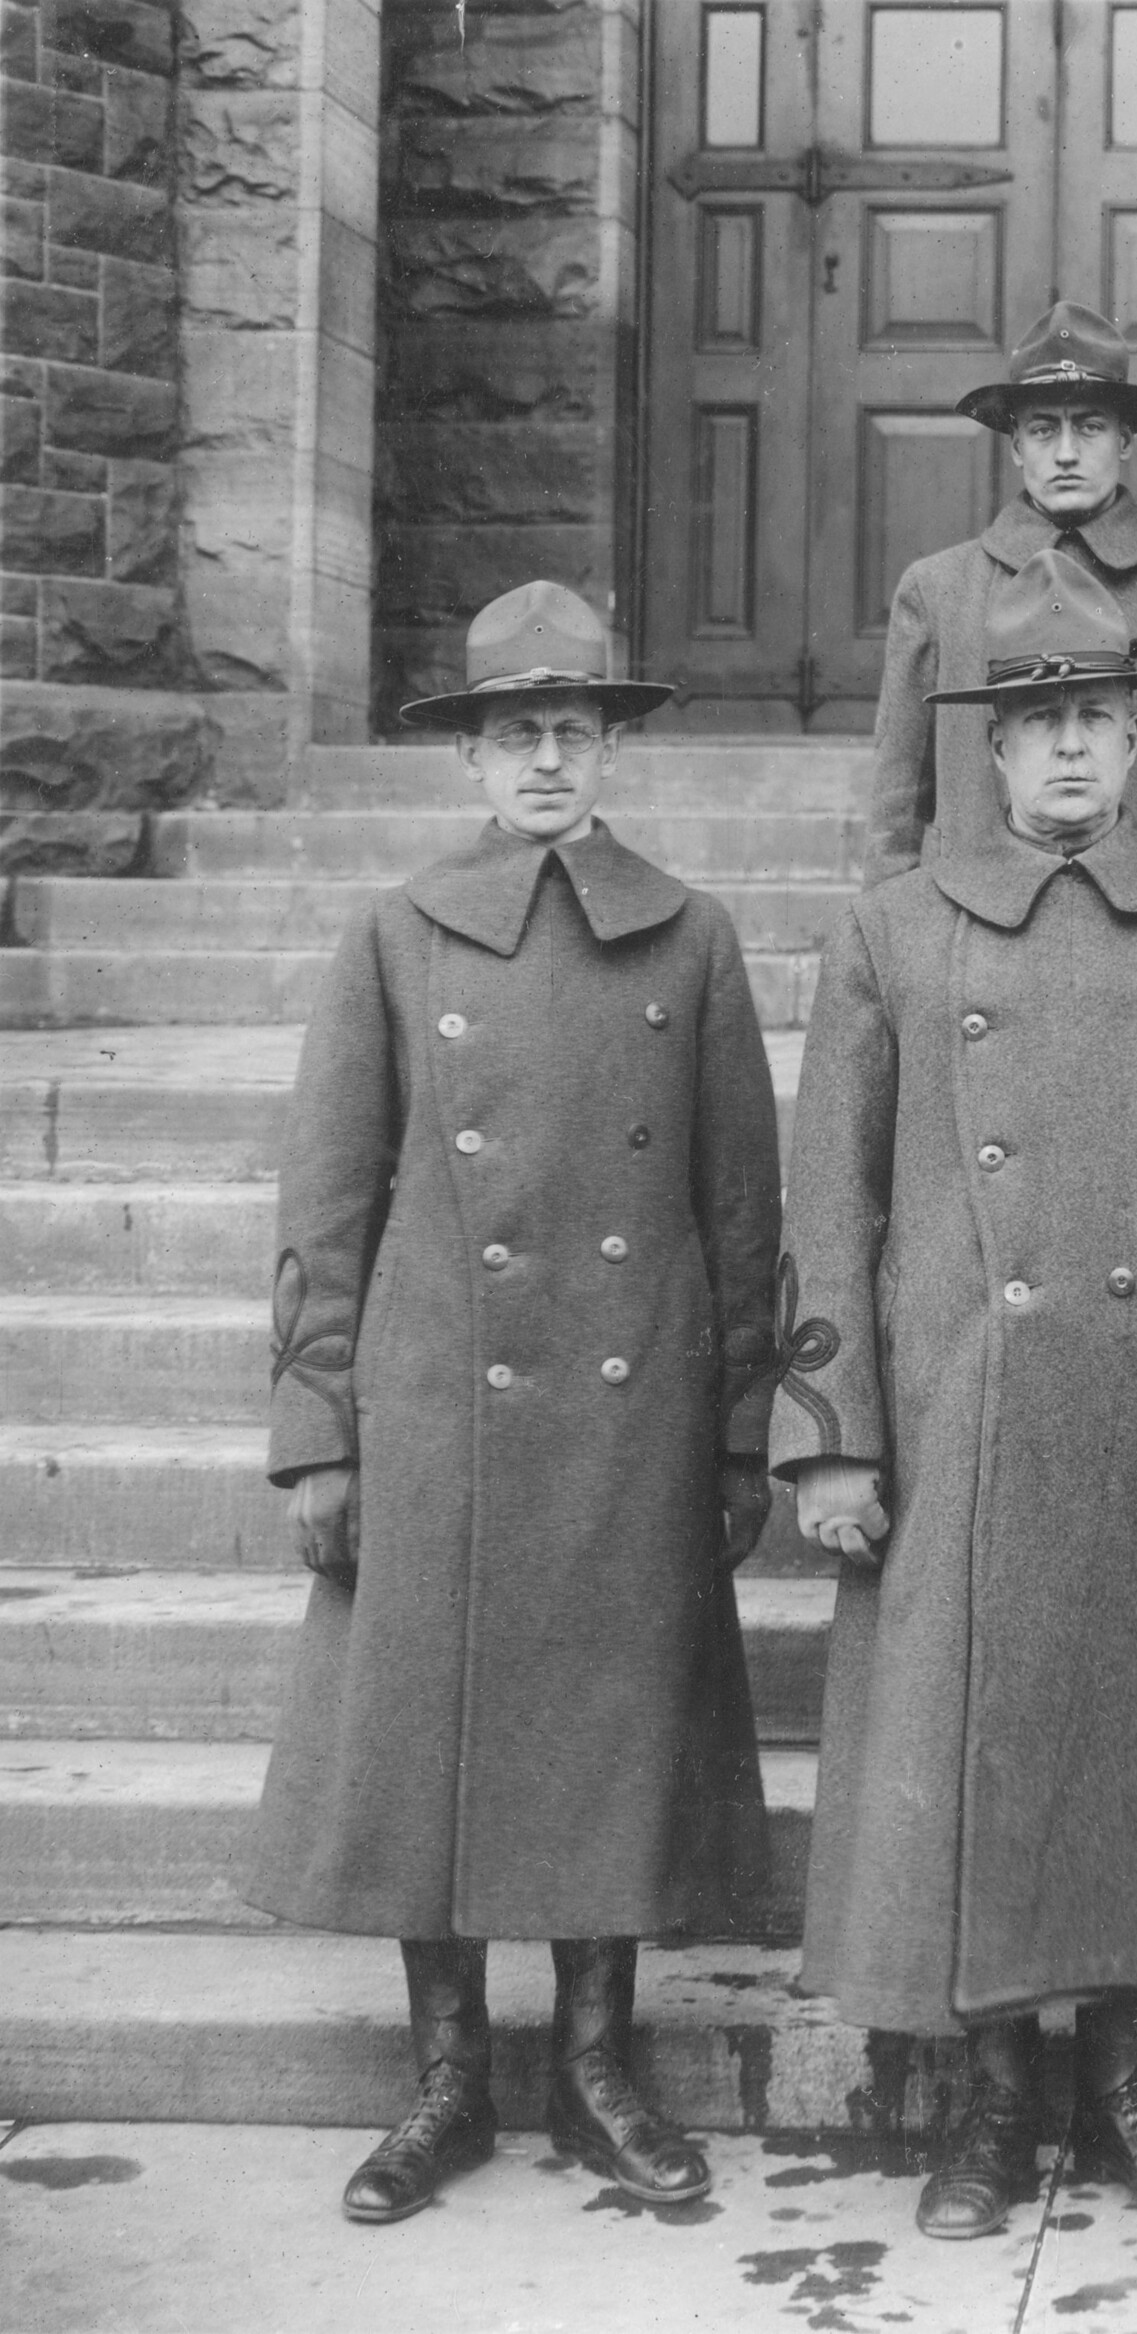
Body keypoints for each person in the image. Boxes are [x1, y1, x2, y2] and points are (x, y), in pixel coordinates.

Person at [774, 549, 1137, 2244]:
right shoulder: (893, 929)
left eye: (1100, 718)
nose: (1074, 754)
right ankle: (984, 2094)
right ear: (989, 752)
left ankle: (1125, 2070)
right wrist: (837, 1438)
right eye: (1039, 728)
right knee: (978, 1757)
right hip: (965, 1412)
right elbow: (835, 1204)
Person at [249, 581, 780, 2223]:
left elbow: (742, 1207)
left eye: (574, 728)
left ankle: (600, 2068)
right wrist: (318, 1427)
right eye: (512, 731)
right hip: (438, 1408)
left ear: (611, 748)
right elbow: (325, 1205)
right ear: (469, 757)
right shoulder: (396, 935)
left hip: (630, 1408)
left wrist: (745, 1422)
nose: (546, 758)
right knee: (430, 1742)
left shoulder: (690, 933)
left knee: (611, 1735)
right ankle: (449, 2076)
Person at [863, 300, 1137, 894]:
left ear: (1125, 438)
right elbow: (896, 817)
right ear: (1014, 446)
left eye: (1088, 426)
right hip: (976, 930)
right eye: (1041, 429)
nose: (1065, 453)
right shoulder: (936, 592)